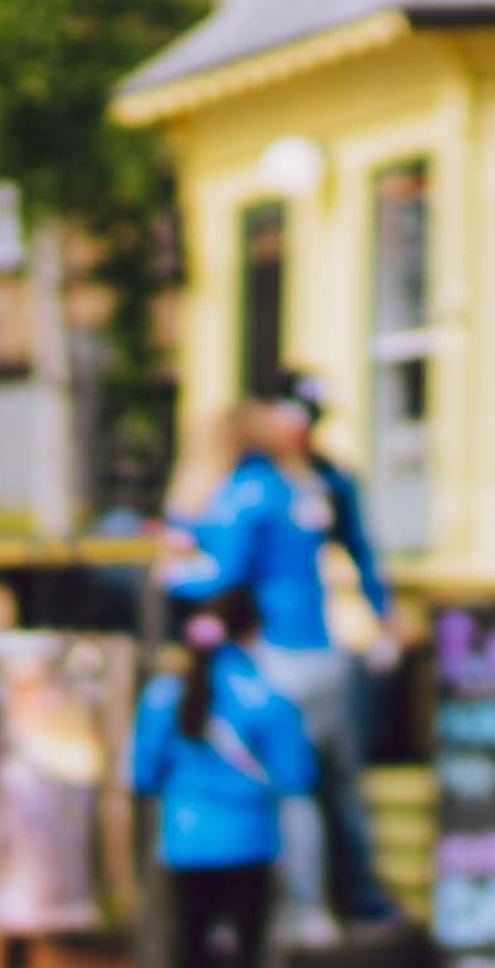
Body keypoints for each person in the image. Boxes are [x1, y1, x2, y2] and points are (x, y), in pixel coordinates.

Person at [165, 373, 404, 933]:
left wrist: (174, 565)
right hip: (325, 652)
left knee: (285, 787)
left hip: (276, 657)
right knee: (333, 782)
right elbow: (363, 556)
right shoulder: (314, 484)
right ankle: (351, 897)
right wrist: (383, 621)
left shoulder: (255, 489)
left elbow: (220, 572)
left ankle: (300, 910)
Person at [128, 589, 330, 968]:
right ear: (250, 633)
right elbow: (296, 776)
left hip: (182, 846)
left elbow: (143, 775)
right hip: (249, 846)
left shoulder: (163, 696)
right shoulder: (268, 697)